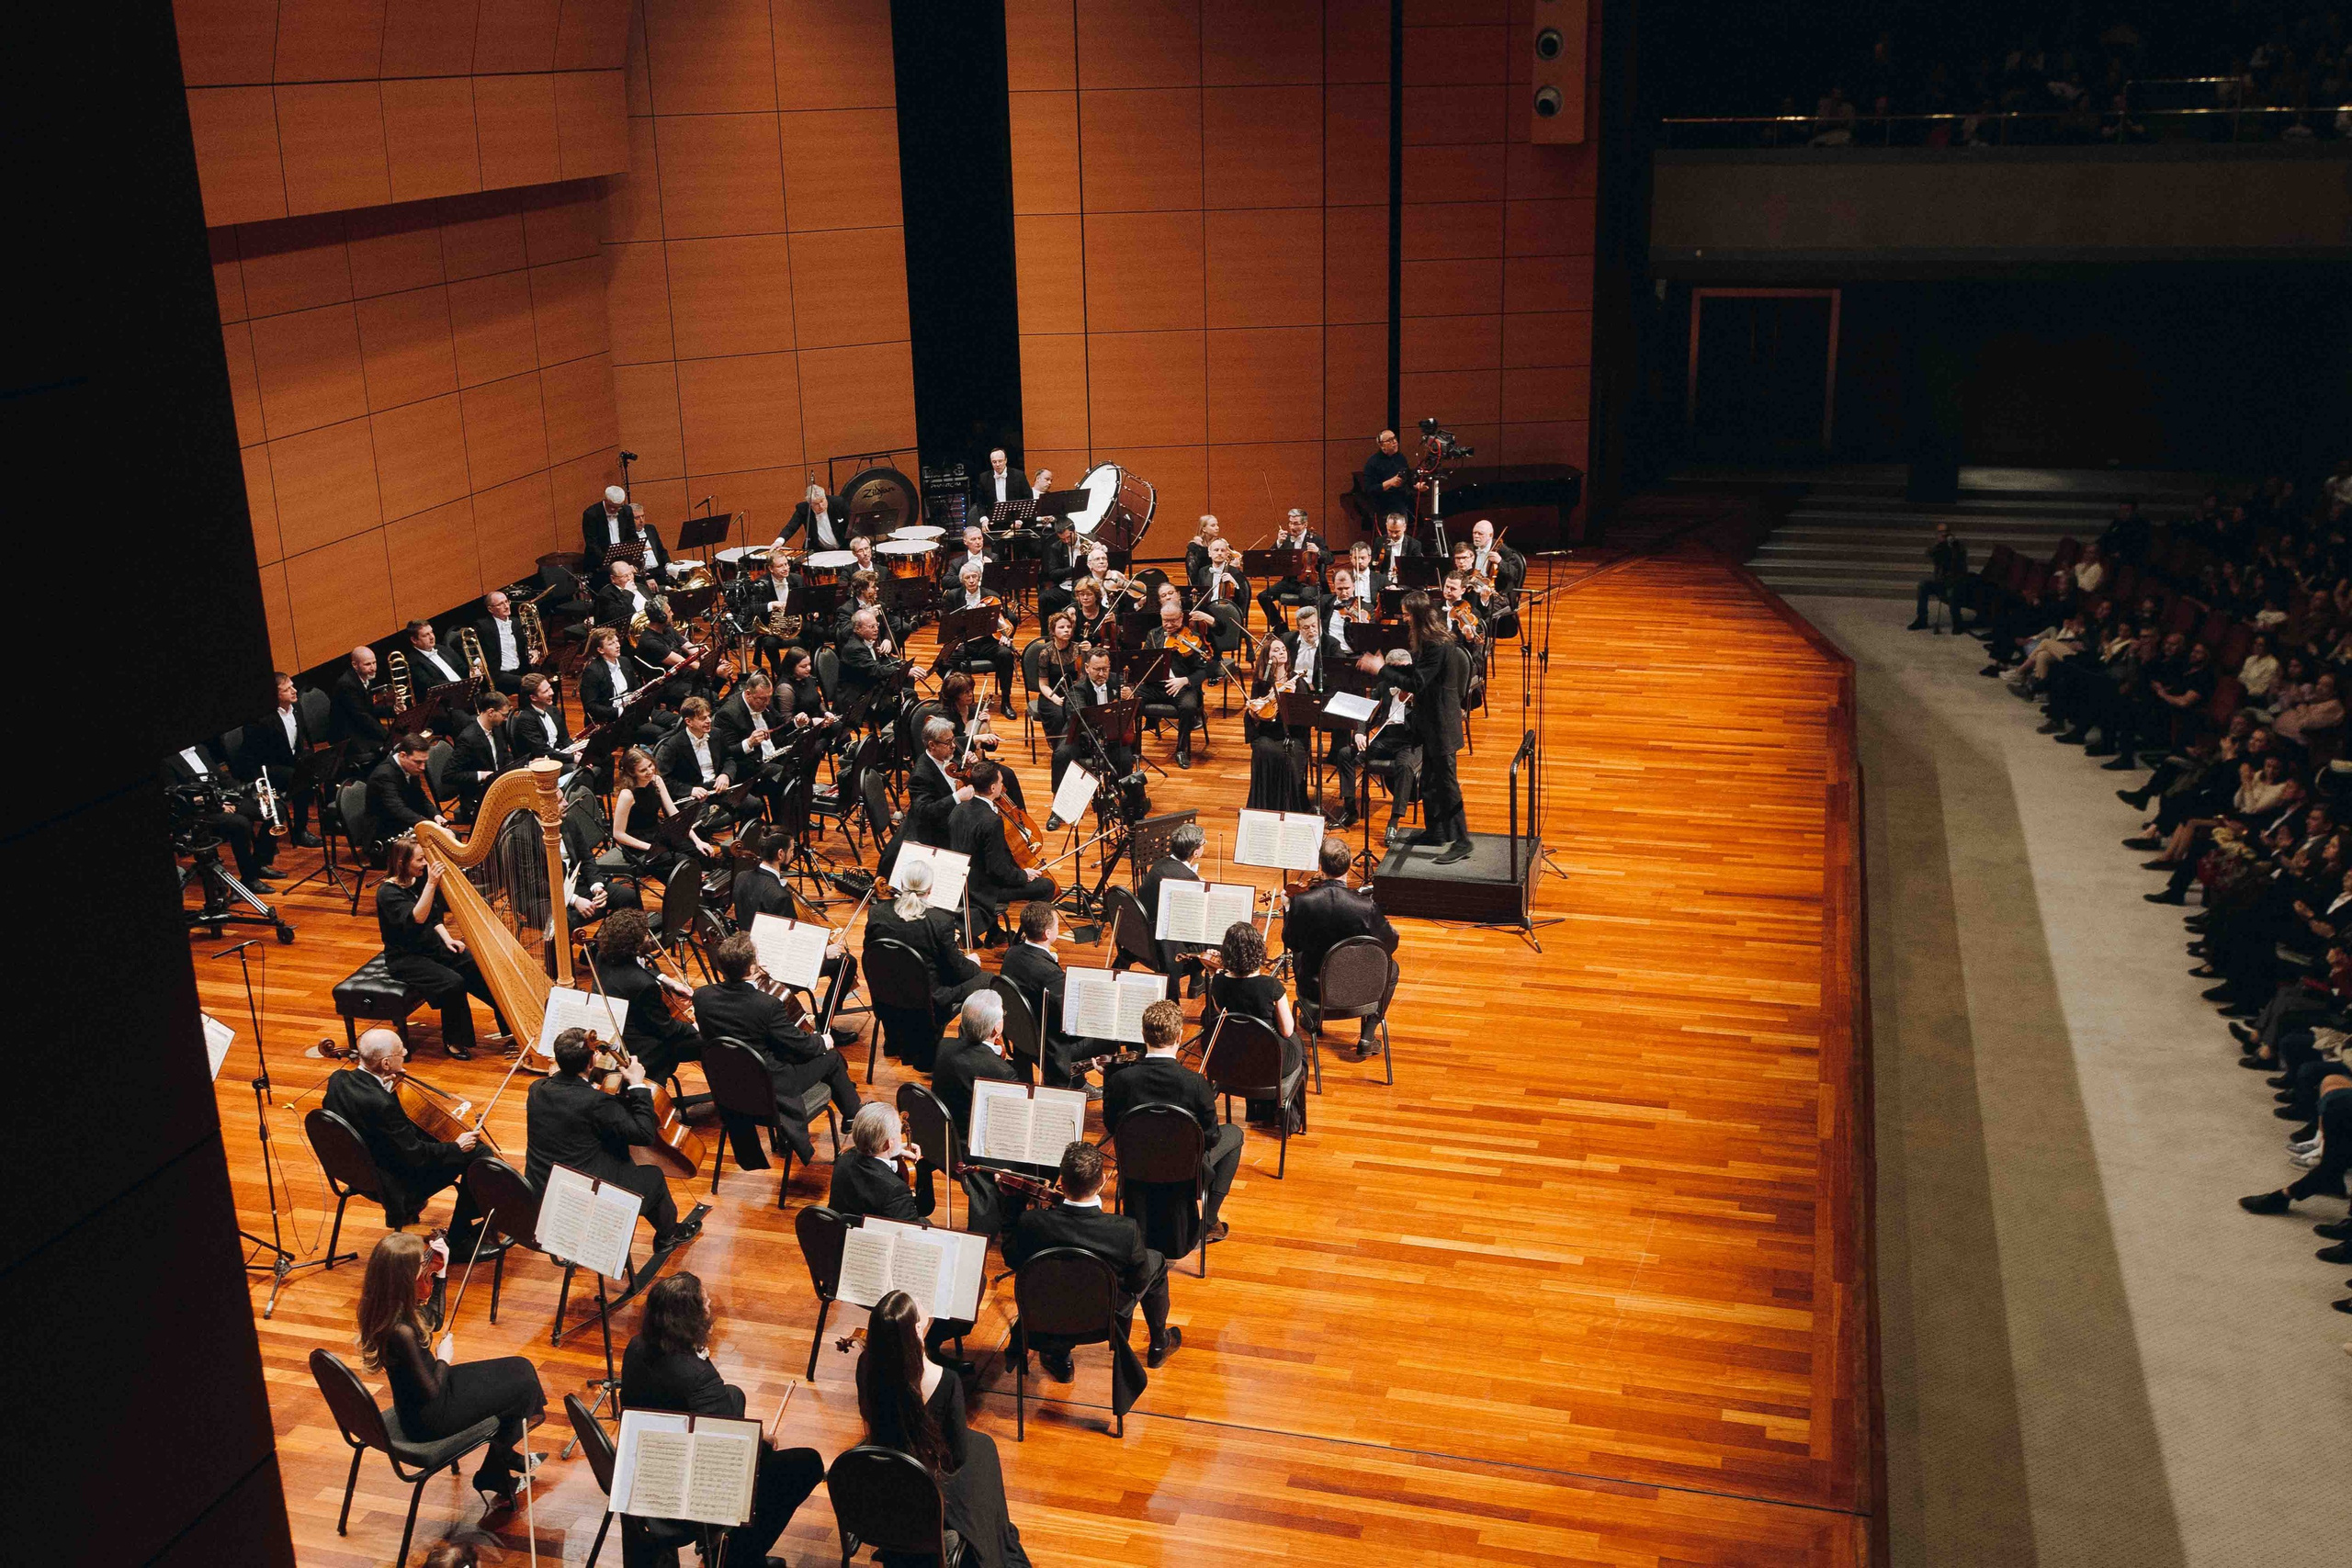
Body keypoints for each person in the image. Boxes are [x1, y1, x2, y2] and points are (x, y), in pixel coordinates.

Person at [620, 1273, 824, 1564]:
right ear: (689, 1319)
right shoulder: (698, 1377)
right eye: (705, 1302)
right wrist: (762, 1444)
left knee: (733, 1394)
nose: (711, 1304)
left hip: (649, 1461)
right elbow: (733, 1458)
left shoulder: (636, 1347)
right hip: (681, 1491)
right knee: (805, 1464)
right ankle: (735, 1555)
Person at [355, 1232, 546, 1519]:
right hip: (429, 1417)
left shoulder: (386, 1309)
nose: (428, 1271)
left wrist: (441, 1274)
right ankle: (497, 1468)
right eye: (424, 1268)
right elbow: (432, 1391)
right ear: (406, 1279)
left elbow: (433, 1320)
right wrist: (444, 1358)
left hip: (424, 1396)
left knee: (522, 1369)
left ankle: (500, 1461)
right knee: (525, 1389)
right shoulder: (401, 1332)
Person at [854, 1292, 1033, 1568]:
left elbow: (871, 1416)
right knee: (983, 1450)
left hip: (884, 1476)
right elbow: (957, 1458)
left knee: (980, 1447)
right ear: (916, 1330)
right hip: (925, 1489)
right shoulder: (945, 1380)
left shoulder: (864, 1365)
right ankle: (992, 1543)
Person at [1002, 1140, 1181, 1370]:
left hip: (1045, 1316)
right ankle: (1158, 1344)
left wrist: (1009, 1204)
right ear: (1103, 1181)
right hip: (1100, 1322)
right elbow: (1139, 1282)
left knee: (1060, 1278)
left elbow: (1012, 1259)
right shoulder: (1125, 1230)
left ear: (1062, 1182)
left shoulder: (1032, 1223)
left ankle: (1059, 1358)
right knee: (1156, 1261)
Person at [524, 1027, 706, 1250]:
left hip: (543, 1192)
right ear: (591, 1063)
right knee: (653, 1176)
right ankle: (668, 1235)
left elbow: (574, 1109)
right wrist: (638, 1084)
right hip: (583, 1199)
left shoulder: (537, 1090)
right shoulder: (596, 1103)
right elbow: (644, 1134)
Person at [323, 1028, 492, 1259]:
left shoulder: (338, 1080)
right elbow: (415, 1155)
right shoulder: (382, 1105)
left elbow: (375, 1126)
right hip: (394, 1184)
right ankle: (460, 1241)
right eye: (399, 1052)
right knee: (479, 1155)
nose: (404, 1052)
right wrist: (456, 1147)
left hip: (356, 1171)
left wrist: (386, 1090)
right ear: (385, 1064)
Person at [694, 932, 862, 1163]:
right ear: (752, 967)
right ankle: (853, 1115)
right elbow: (799, 1046)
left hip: (729, 1087)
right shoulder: (766, 1004)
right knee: (831, 1058)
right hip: (769, 1089)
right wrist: (824, 1041)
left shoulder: (702, 996)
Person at [1103, 998, 1243, 1246]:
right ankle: (1209, 1221)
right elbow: (1212, 1138)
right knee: (1234, 1134)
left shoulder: (1121, 1081)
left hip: (1136, 1167)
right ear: (1179, 1036)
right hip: (1185, 1172)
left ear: (1143, 1034)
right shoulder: (1195, 1083)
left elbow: (1112, 1126)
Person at [1356, 591, 1472, 863]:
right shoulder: (1428, 641)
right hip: (1429, 723)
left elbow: (1417, 683)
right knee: (1431, 781)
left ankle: (1462, 840)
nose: (1404, 618)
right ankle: (1437, 832)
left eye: (1408, 614)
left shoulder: (1438, 644)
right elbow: (1415, 673)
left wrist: (1381, 669)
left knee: (1447, 783)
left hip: (1442, 724)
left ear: (1418, 615)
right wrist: (1386, 668)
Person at [377, 837, 508, 1060]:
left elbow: (434, 917)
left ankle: (512, 1025)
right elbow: (417, 917)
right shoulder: (388, 893)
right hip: (406, 958)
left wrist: (447, 939)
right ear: (402, 862)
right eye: (420, 860)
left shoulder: (419, 880)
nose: (425, 864)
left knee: (475, 965)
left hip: (431, 946)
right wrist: (431, 884)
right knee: (453, 982)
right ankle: (454, 1040)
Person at [1282, 837, 1399, 1054]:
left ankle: (1312, 1017)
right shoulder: (1365, 906)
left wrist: (1289, 911)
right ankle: (1368, 1035)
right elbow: (1390, 944)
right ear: (1347, 867)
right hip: (1360, 987)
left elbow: (1292, 943)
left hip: (1315, 989)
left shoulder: (1303, 903)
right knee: (1392, 968)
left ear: (1320, 866)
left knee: (1301, 955)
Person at [865, 861, 988, 1067]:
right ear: (930, 889)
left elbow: (872, 955)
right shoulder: (940, 921)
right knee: (987, 979)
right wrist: (972, 962)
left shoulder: (877, 913)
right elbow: (959, 970)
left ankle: (894, 1040)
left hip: (887, 996)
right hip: (928, 1002)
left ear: (901, 884)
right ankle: (965, 1052)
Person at [1204, 919, 1306, 1130]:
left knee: (1256, 1044)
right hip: (1270, 1063)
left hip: (1232, 1062)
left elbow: (1219, 1012)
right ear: (1258, 951)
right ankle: (1287, 1117)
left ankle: (1260, 1112)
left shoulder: (1218, 983)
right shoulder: (1271, 986)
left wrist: (1215, 975)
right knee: (1298, 1046)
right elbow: (1287, 1030)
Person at [998, 899, 1107, 1094]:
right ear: (1047, 934)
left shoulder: (1012, 953)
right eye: (1056, 925)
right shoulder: (1049, 974)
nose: (1058, 927)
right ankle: (1087, 1084)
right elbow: (1069, 1021)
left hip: (1021, 1032)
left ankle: (1079, 1082)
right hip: (1050, 1046)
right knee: (1110, 1033)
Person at [590, 908, 703, 1083]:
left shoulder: (603, 957)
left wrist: (667, 981)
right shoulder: (643, 985)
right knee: (707, 1043)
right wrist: (694, 1027)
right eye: (645, 935)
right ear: (634, 945)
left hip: (618, 1035)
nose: (649, 938)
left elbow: (639, 967)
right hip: (642, 1051)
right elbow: (666, 1028)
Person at [948, 761, 1054, 936]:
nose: (1003, 785)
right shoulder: (992, 821)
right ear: (992, 788)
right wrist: (1023, 875)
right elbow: (997, 869)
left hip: (961, 883)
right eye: (1001, 782)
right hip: (983, 890)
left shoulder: (958, 809)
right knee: (1045, 886)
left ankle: (995, 933)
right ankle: (1028, 939)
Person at [232, 671, 322, 845]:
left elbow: (298, 742)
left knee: (315, 771)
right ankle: (300, 831)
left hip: (287, 762)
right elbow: (253, 758)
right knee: (301, 780)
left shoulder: (296, 708)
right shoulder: (259, 720)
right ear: (274, 696)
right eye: (287, 689)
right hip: (265, 768)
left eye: (292, 686)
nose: (294, 691)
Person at [931, 990, 1020, 1137]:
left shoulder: (944, 1046)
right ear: (997, 1028)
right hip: (972, 1146)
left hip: (943, 1137)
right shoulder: (1003, 1072)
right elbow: (1008, 1124)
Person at [1139, 820, 1212, 988]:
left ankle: (1196, 980)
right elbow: (1196, 919)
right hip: (1166, 945)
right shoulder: (1187, 878)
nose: (1204, 845)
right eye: (1203, 843)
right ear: (1195, 852)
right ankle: (1200, 980)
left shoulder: (1158, 865)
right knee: (1217, 938)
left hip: (1145, 934)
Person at [1243, 636, 1310, 812]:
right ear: (1267, 657)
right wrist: (1253, 712)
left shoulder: (1297, 680)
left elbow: (1303, 718)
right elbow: (1257, 712)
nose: (1281, 652)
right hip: (1268, 733)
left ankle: (1289, 808)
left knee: (1287, 754)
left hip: (1292, 734)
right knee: (1263, 749)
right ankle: (1265, 805)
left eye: (1283, 649)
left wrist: (1292, 699)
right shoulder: (1261, 682)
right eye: (1276, 650)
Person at [1143, 599, 1212, 768]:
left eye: (1173, 620)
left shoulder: (1193, 638)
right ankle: (1132, 747)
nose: (1169, 625)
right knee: (1131, 696)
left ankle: (1181, 750)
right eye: (1165, 620)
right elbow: (1145, 661)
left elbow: (1204, 671)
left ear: (1182, 618)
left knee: (1188, 707)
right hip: (1158, 686)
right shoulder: (1153, 634)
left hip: (1183, 687)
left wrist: (1184, 681)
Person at [447, 689, 514, 820]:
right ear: (491, 712)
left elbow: (505, 755)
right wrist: (481, 775)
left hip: (497, 788)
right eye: (504, 715)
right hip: (477, 797)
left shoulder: (497, 728)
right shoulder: (468, 738)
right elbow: (449, 775)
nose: (506, 719)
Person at [367, 731, 443, 838]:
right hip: (386, 832)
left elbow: (420, 796)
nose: (423, 767)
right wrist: (428, 824)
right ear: (403, 755)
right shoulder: (384, 775)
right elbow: (398, 809)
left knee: (452, 835)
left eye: (425, 762)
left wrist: (436, 815)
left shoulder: (410, 767)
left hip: (405, 823)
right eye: (418, 762)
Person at [331, 644, 390, 763]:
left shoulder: (365, 677)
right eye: (368, 664)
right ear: (354, 665)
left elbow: (369, 708)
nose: (373, 668)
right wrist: (387, 736)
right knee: (386, 747)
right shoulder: (347, 685)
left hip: (358, 724)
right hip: (348, 734)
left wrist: (393, 710)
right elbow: (362, 716)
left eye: (374, 662)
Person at [1907, 523, 1971, 631]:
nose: (1944, 534)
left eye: (1945, 532)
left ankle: (1957, 621)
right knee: (1923, 585)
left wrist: (1951, 546)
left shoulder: (1958, 545)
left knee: (1953, 590)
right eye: (1941, 532)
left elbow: (1960, 561)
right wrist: (1939, 545)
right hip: (1941, 582)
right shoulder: (1937, 547)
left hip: (1956, 582)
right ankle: (1922, 619)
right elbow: (1928, 553)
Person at [472, 588, 529, 695]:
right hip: (499, 674)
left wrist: (533, 651)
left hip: (520, 670)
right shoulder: (483, 626)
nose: (506, 606)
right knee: (531, 684)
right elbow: (458, 643)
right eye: (500, 604)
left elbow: (524, 646)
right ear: (490, 609)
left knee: (549, 680)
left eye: (507, 602)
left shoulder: (516, 622)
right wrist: (477, 661)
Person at [1356, 429, 1416, 524]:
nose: (1395, 442)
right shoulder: (1373, 462)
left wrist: (1416, 486)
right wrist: (1390, 483)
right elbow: (1369, 489)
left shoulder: (1401, 458)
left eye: (1395, 438)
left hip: (1402, 499)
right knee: (1398, 508)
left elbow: (1408, 479)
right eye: (1390, 440)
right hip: (1383, 502)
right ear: (1381, 445)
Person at [782, 480, 849, 553]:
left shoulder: (838, 503)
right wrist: (779, 542)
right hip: (818, 550)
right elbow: (791, 527)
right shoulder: (803, 509)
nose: (821, 506)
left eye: (822, 501)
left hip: (843, 548)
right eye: (816, 504)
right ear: (810, 504)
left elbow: (853, 525)